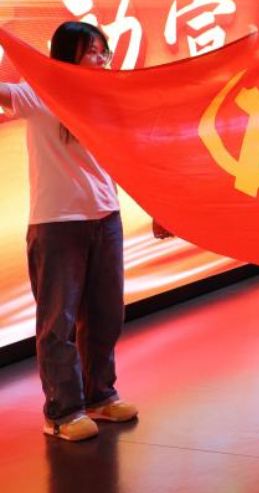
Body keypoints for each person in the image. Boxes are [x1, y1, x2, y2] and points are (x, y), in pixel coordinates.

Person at [1, 22, 167, 441]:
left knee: (106, 315)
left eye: (102, 51)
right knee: (58, 322)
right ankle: (62, 412)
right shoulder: (38, 93)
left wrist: (159, 207)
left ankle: (100, 396)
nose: (100, 59)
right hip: (57, 224)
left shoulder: (105, 101)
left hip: (105, 219)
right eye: (91, 51)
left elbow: (126, 159)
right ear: (67, 54)